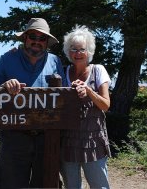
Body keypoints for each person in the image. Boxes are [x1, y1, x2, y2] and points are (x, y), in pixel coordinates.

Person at [0, 17, 65, 189]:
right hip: (14, 135)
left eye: (42, 38)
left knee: (45, 183)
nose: (37, 42)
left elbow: (64, 96)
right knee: (9, 182)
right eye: (32, 36)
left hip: (47, 137)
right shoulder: (7, 59)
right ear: (25, 38)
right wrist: (4, 86)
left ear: (47, 42)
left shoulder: (55, 62)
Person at [60, 25, 111, 189]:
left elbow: (105, 105)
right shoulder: (62, 72)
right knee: (72, 186)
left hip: (93, 141)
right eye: (73, 49)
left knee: (100, 186)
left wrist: (88, 90)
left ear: (88, 51)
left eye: (81, 49)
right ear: (68, 52)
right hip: (68, 141)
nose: (77, 53)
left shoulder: (98, 71)